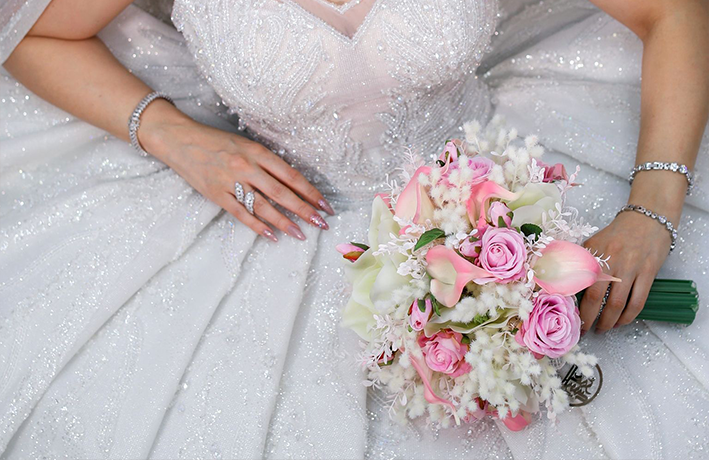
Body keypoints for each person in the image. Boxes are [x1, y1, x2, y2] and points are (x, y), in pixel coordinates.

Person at [0, 0, 707, 458]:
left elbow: (672, 11)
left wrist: (650, 207)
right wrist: (171, 134)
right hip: (278, 224)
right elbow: (29, 31)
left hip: (497, 178)